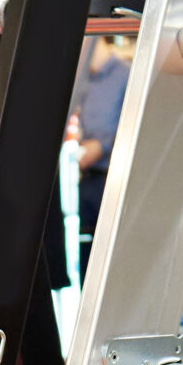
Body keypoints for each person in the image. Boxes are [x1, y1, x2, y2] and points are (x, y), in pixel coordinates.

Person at [69, 34, 130, 274]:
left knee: (111, 253)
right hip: (84, 178)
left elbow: (133, 126)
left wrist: (102, 146)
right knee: (83, 251)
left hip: (113, 179)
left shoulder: (126, 75)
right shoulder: (82, 79)